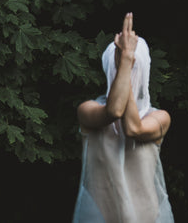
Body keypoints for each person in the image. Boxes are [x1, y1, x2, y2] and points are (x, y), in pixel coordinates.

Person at [72, 12, 174, 223]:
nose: (129, 72)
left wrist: (125, 61)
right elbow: (113, 112)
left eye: (134, 67)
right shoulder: (88, 110)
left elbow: (133, 129)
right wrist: (125, 61)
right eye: (120, 68)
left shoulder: (159, 118)